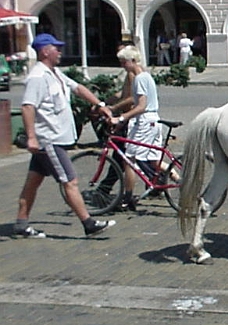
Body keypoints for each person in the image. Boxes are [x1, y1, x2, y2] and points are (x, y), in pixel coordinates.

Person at [14, 33, 116, 238]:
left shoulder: (54, 73)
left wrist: (100, 105)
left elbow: (77, 88)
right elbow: (27, 107)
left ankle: (21, 223)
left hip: (55, 138)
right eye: (56, 48)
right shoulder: (37, 77)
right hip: (49, 140)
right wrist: (31, 137)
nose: (60, 52)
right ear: (45, 51)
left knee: (32, 182)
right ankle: (88, 223)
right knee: (70, 181)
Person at [110, 45, 162, 211]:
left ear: (132, 61)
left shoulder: (139, 79)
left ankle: (128, 197)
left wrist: (122, 117)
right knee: (154, 159)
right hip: (154, 120)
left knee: (129, 159)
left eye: (124, 62)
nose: (122, 65)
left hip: (145, 121)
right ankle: (176, 180)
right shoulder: (147, 76)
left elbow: (141, 105)